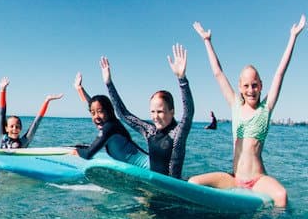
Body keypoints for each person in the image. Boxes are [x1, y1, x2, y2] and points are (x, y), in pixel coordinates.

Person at [188, 16, 305, 207]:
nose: (251, 90)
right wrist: (207, 41)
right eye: (246, 85)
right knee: (193, 182)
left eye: (255, 85)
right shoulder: (235, 105)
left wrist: (293, 37)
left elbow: (279, 73)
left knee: (281, 195)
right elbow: (218, 73)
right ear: (240, 87)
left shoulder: (265, 109)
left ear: (261, 86)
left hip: (258, 179)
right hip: (235, 178)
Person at [99, 46, 193, 178]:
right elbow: (123, 114)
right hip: (153, 186)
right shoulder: (150, 131)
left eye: (160, 111)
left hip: (172, 191)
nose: (155, 117)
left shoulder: (177, 134)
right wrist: (109, 83)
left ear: (172, 112)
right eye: (152, 111)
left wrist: (182, 79)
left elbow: (188, 113)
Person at [73, 73, 148, 167]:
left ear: (109, 111)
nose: (96, 116)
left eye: (100, 111)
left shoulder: (109, 128)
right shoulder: (113, 124)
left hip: (152, 170)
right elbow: (91, 105)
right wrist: (79, 89)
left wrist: (75, 152)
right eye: (93, 113)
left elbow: (88, 154)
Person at [0, 77, 63, 150]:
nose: (15, 129)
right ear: (6, 128)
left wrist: (47, 101)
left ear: (21, 128)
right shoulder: (3, 136)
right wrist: (3, 90)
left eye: (17, 126)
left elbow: (36, 123)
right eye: (11, 126)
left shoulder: (24, 141)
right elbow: (2, 113)